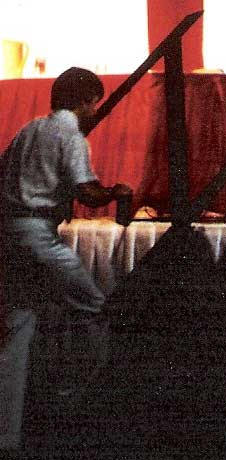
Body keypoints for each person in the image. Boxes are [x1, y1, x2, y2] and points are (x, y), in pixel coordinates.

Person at [0, 67, 132, 331]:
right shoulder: (71, 136)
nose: (95, 111)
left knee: (20, 317)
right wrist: (115, 192)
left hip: (9, 234)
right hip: (38, 237)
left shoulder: (29, 130)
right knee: (94, 307)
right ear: (86, 100)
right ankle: (91, 373)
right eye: (94, 104)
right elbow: (88, 194)